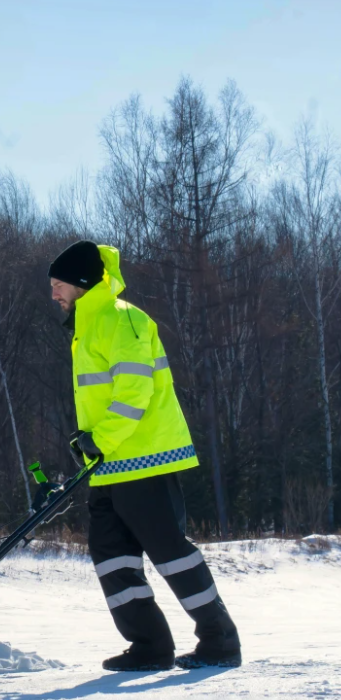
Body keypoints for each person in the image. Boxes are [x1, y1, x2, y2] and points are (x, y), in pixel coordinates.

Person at [48, 240, 241, 671]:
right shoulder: (86, 326)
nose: (54, 294)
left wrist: (102, 438)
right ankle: (150, 646)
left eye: (59, 285)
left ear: (82, 283)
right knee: (111, 557)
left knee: (170, 551)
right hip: (108, 464)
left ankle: (220, 639)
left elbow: (136, 389)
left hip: (144, 458)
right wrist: (92, 442)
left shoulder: (122, 319)